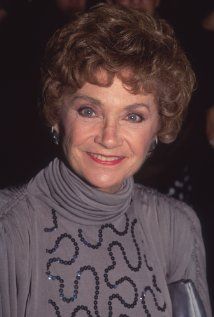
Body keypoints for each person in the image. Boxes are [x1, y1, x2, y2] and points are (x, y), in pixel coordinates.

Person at [0, 3, 212, 316]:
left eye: (133, 116)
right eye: (89, 111)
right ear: (57, 114)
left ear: (159, 128)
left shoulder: (176, 227)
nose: (108, 137)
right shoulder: (9, 230)